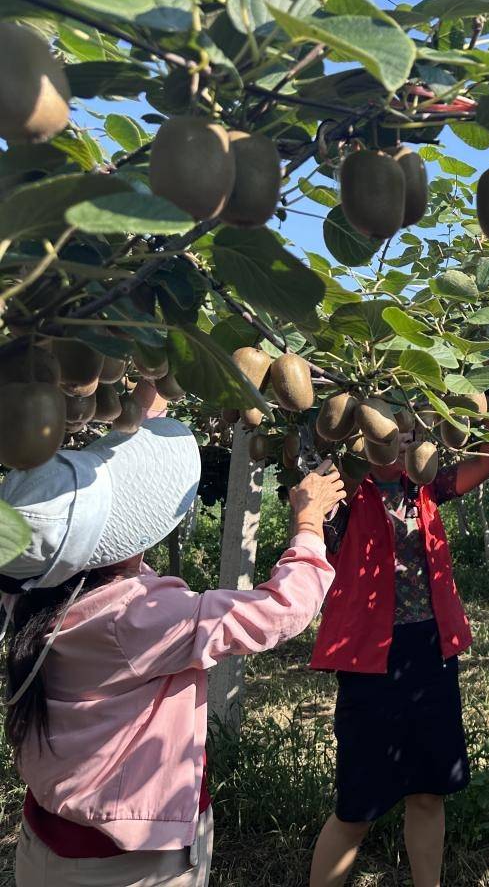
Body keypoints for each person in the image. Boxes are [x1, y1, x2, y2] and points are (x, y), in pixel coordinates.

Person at [1, 379, 346, 887]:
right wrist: (309, 526)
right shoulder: (141, 615)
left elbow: (61, 538)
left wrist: (155, 390)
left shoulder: (28, 593)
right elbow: (282, 610)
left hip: (47, 841)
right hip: (131, 866)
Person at [308, 423, 489, 887]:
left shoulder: (426, 485)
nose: (403, 440)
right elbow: (312, 501)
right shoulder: (346, 489)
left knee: (429, 792)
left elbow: (485, 463)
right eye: (391, 430)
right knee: (357, 807)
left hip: (430, 651)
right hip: (368, 657)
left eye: (410, 431)